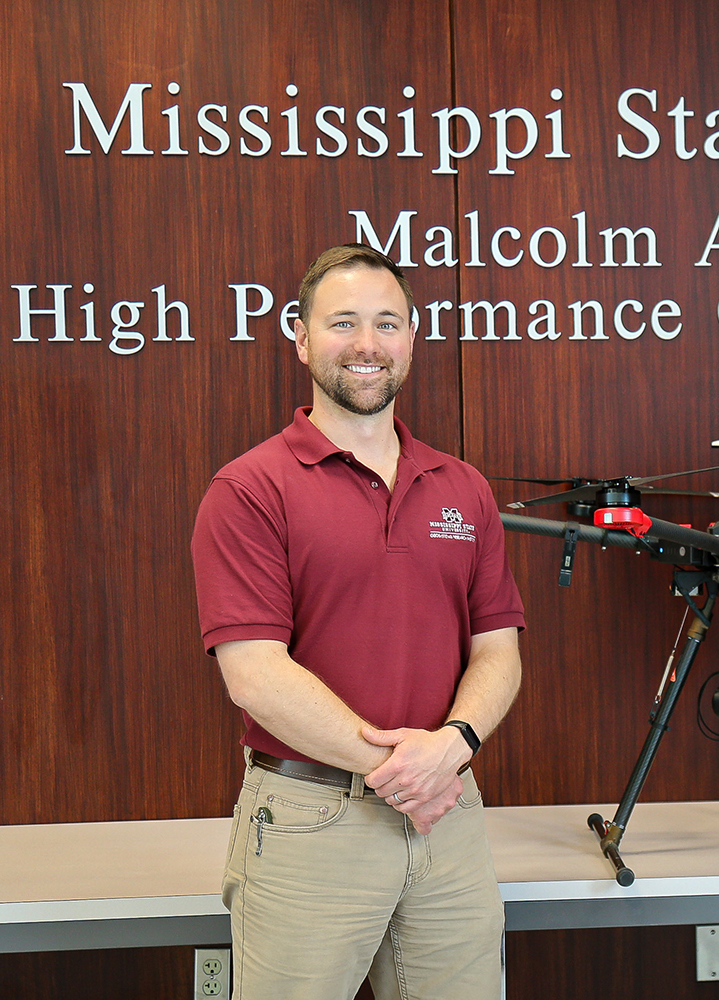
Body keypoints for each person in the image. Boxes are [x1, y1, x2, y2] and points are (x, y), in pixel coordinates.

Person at [191, 244, 525, 999]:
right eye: (343, 323)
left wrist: (456, 746)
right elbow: (254, 674)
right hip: (313, 818)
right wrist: (408, 774)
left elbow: (497, 649)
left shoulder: (462, 488)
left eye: (387, 323)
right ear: (302, 339)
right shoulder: (249, 489)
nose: (367, 344)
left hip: (449, 815)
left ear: (412, 339)